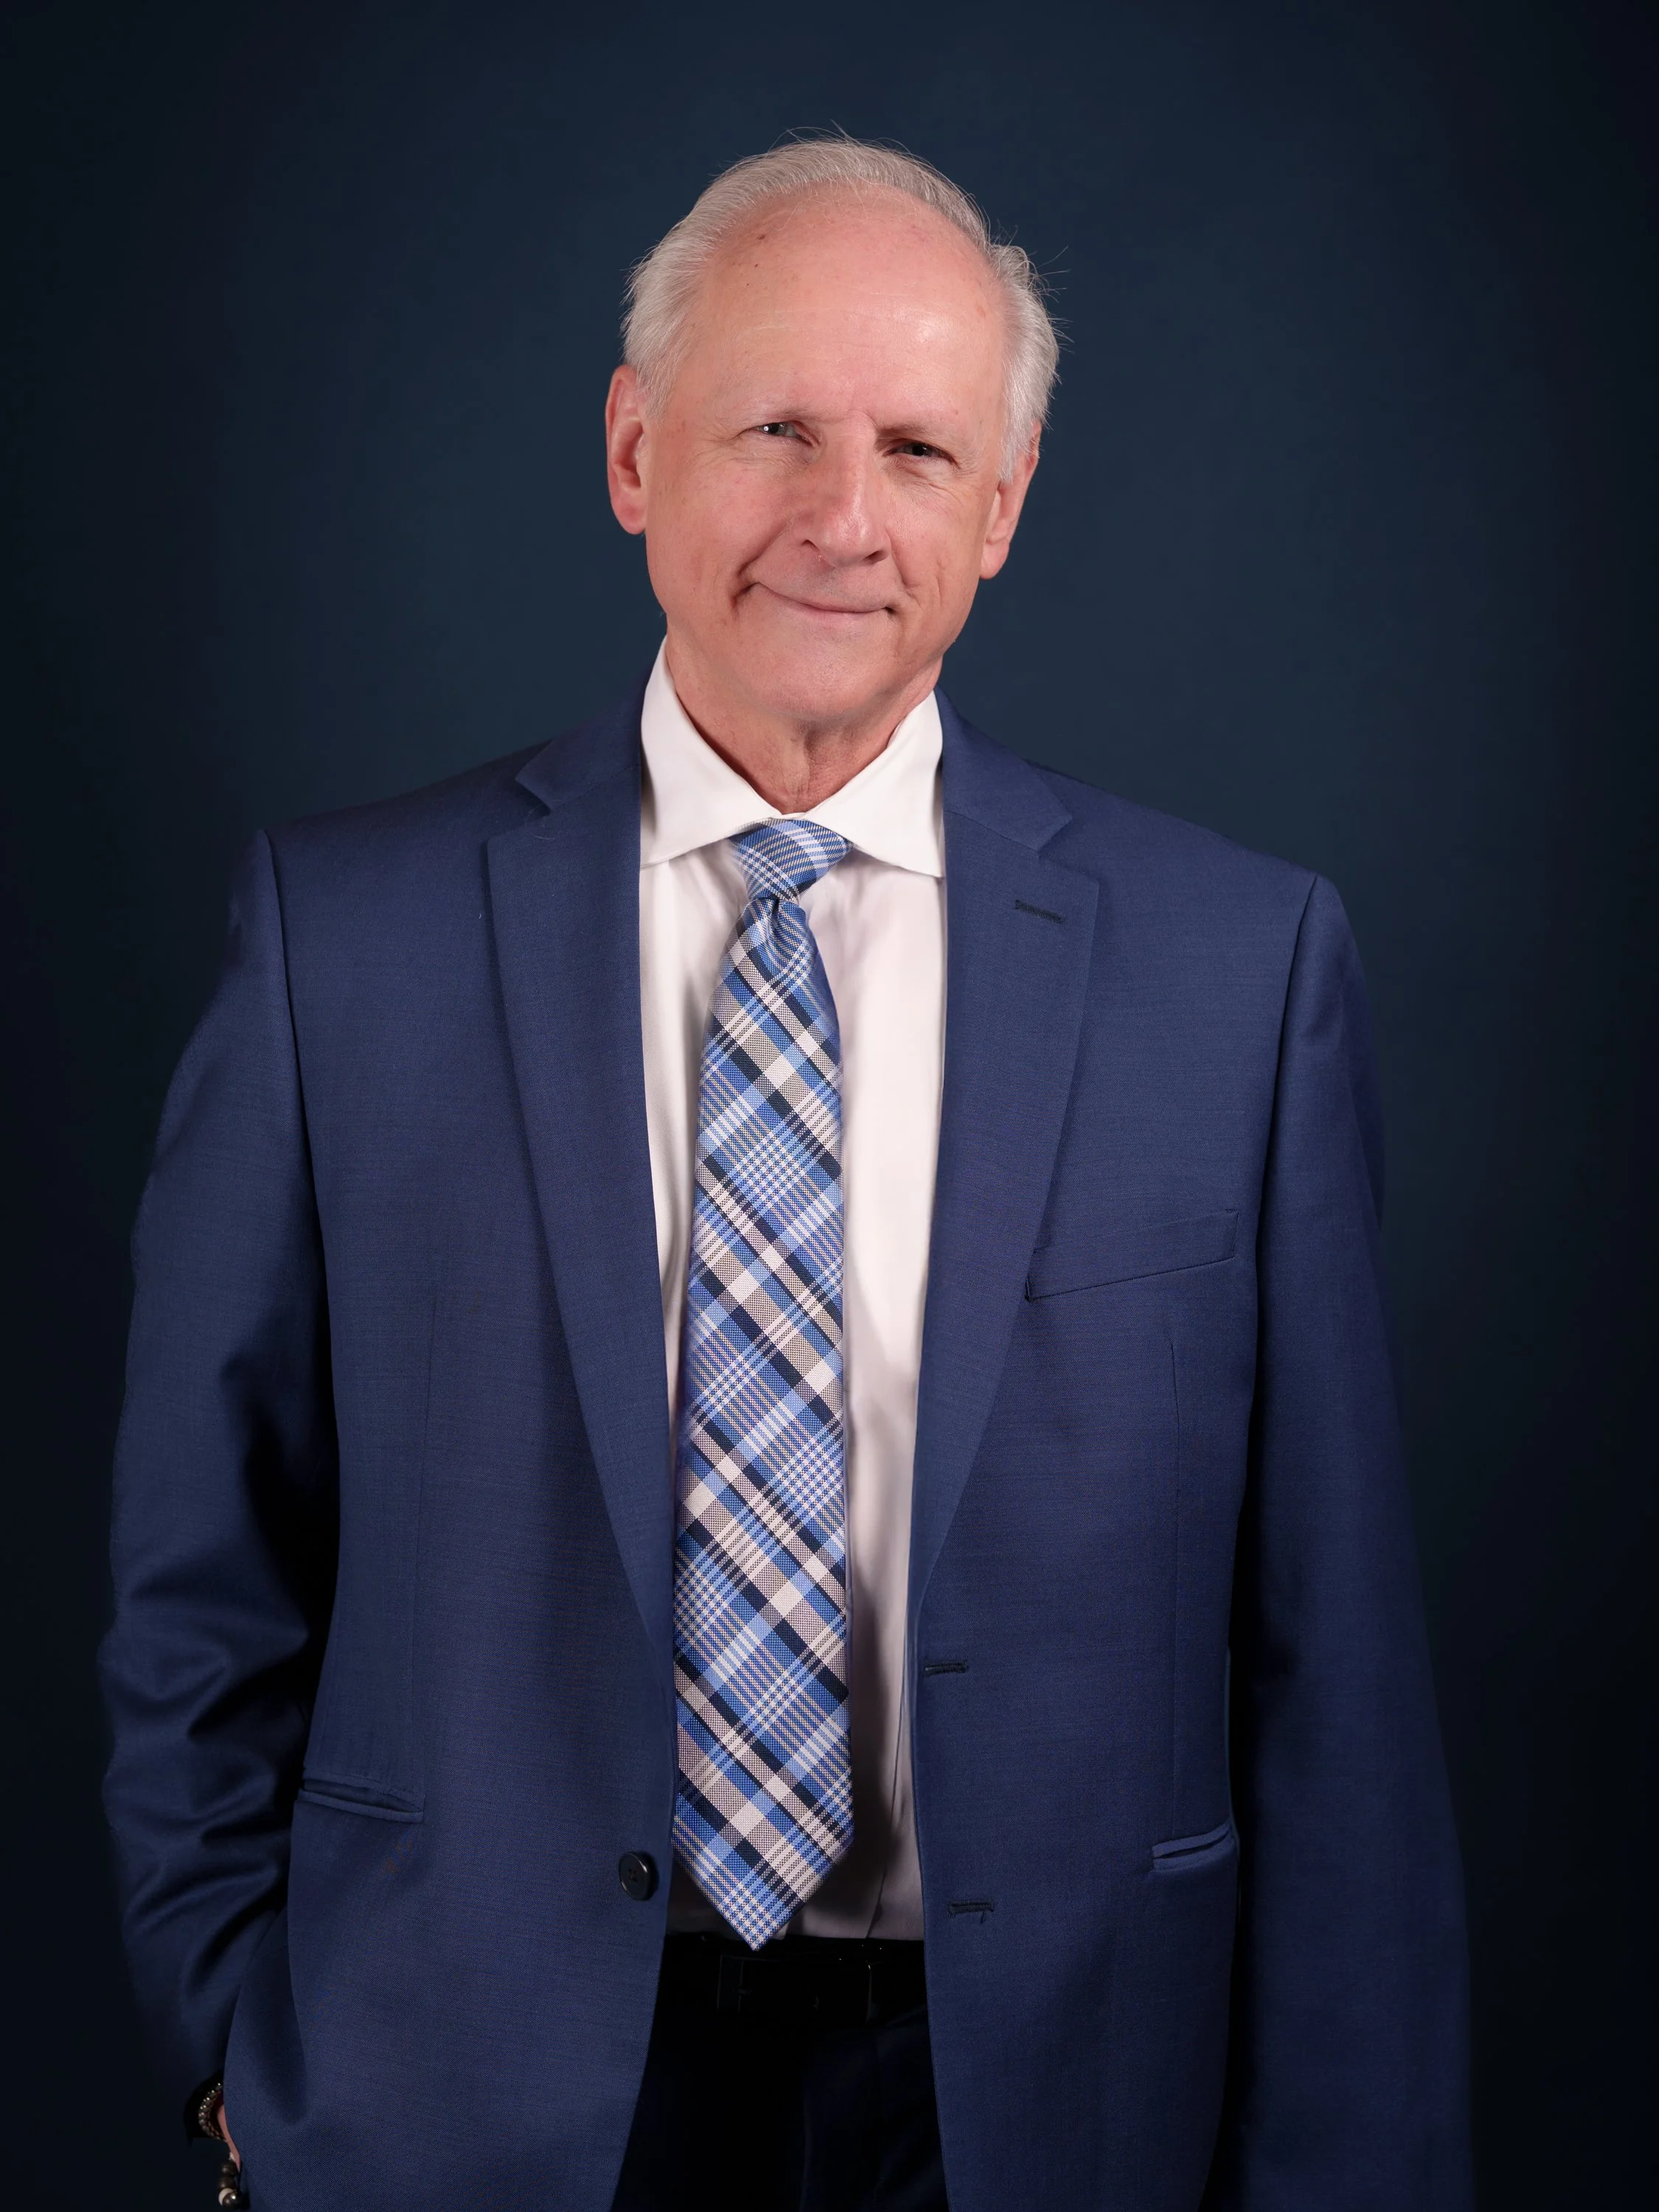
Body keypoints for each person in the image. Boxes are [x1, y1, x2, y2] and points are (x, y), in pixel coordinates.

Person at [101, 137, 1471, 2212]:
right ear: (638, 453)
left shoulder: (1239, 973)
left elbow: (1334, 1679)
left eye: (921, 450)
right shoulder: (341, 944)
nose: (845, 520)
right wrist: (238, 2071)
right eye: (775, 433)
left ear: (1000, 511)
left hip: (1044, 2107)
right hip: (457, 2109)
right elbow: (200, 1588)